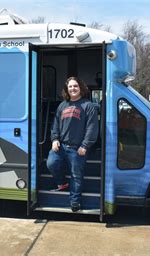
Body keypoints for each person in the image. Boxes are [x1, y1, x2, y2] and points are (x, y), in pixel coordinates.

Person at [46, 76, 99, 212]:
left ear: (80, 87)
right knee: (51, 163)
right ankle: (62, 183)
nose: (73, 89)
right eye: (70, 86)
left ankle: (75, 201)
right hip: (61, 146)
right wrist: (54, 139)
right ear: (67, 89)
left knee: (76, 175)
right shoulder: (62, 105)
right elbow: (55, 125)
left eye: (75, 86)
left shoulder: (88, 106)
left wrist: (85, 145)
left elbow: (92, 128)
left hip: (78, 149)